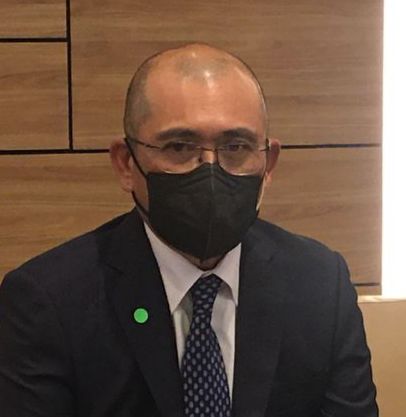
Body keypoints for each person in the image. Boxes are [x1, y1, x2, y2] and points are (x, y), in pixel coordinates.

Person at [0, 43, 378, 417]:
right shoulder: (49, 302)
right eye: (179, 147)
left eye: (236, 146)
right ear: (126, 163)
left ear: (269, 163)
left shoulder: (319, 285)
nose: (210, 171)